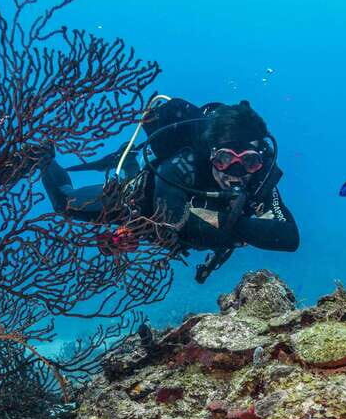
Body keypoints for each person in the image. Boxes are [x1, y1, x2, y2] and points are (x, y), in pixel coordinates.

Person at [38, 96, 299, 282]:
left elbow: (289, 238)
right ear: (210, 154)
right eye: (225, 159)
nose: (236, 172)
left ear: (260, 159)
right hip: (142, 201)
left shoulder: (259, 177)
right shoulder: (182, 166)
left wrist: (232, 226)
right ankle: (43, 157)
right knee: (65, 203)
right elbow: (175, 224)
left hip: (196, 221)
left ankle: (127, 161)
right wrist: (240, 227)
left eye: (249, 161)